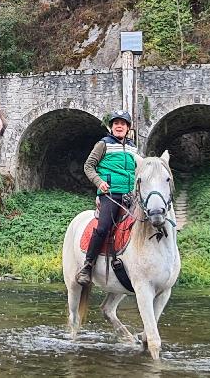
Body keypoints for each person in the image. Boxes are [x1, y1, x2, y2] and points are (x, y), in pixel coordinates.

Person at [76, 109, 139, 286]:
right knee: (103, 228)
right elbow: (89, 166)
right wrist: (99, 183)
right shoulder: (103, 144)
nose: (119, 126)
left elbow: (138, 169)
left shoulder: (133, 147)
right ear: (111, 127)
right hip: (110, 194)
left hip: (130, 195)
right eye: (116, 123)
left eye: (123, 124)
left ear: (128, 128)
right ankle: (87, 266)